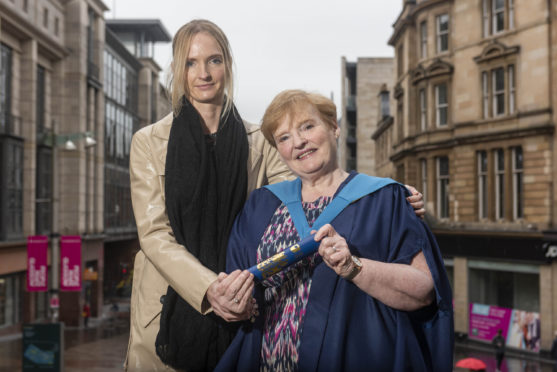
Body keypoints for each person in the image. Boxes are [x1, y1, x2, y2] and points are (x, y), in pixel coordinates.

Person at [126, 20, 425, 372]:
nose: (203, 73)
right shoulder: (147, 142)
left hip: (244, 304)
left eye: (214, 60)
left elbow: (309, 193)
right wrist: (211, 289)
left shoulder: (259, 141)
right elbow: (155, 234)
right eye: (191, 63)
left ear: (228, 65)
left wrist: (381, 193)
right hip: (169, 308)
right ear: (177, 69)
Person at [216, 90, 453, 371]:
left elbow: (424, 291)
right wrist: (233, 301)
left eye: (308, 126)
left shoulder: (383, 199)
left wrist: (355, 266)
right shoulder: (261, 204)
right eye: (284, 137)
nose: (299, 142)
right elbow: (238, 288)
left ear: (334, 127)